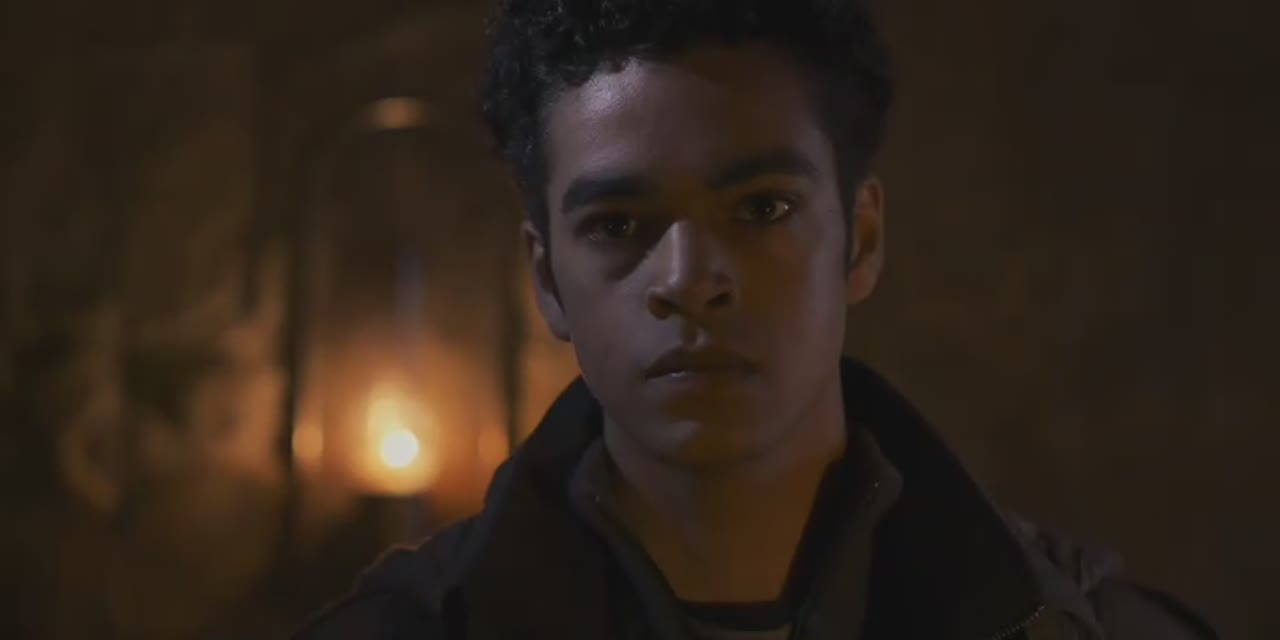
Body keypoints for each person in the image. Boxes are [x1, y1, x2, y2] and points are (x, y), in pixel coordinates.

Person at [295, 0, 1216, 638]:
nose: (690, 280)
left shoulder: (1084, 629)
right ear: (547, 277)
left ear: (859, 239)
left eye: (763, 209)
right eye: (618, 224)